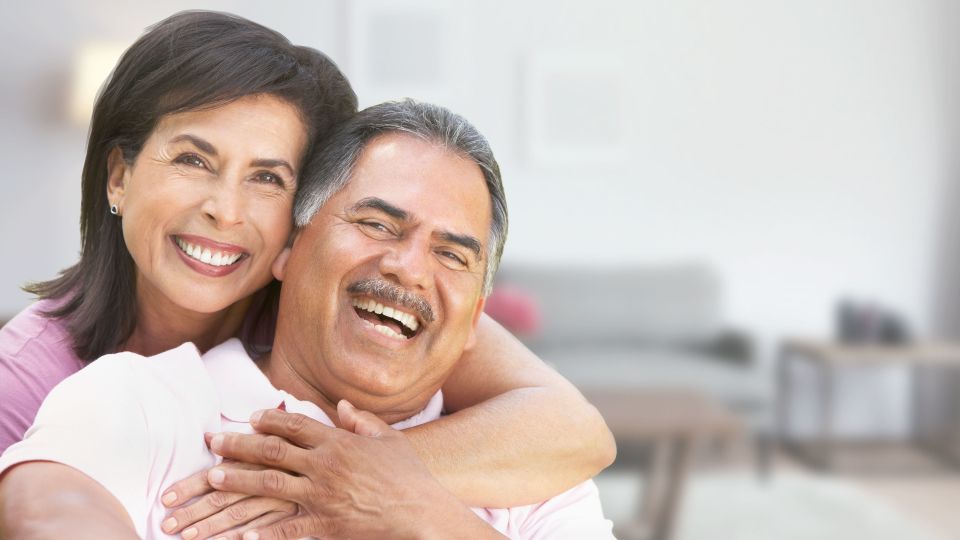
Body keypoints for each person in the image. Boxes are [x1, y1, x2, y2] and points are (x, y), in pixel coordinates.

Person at [0, 10, 614, 537]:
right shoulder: (87, 388)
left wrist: (385, 487)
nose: (225, 209)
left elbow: (577, 430)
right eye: (377, 224)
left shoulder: (527, 474)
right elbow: (47, 506)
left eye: (267, 177)